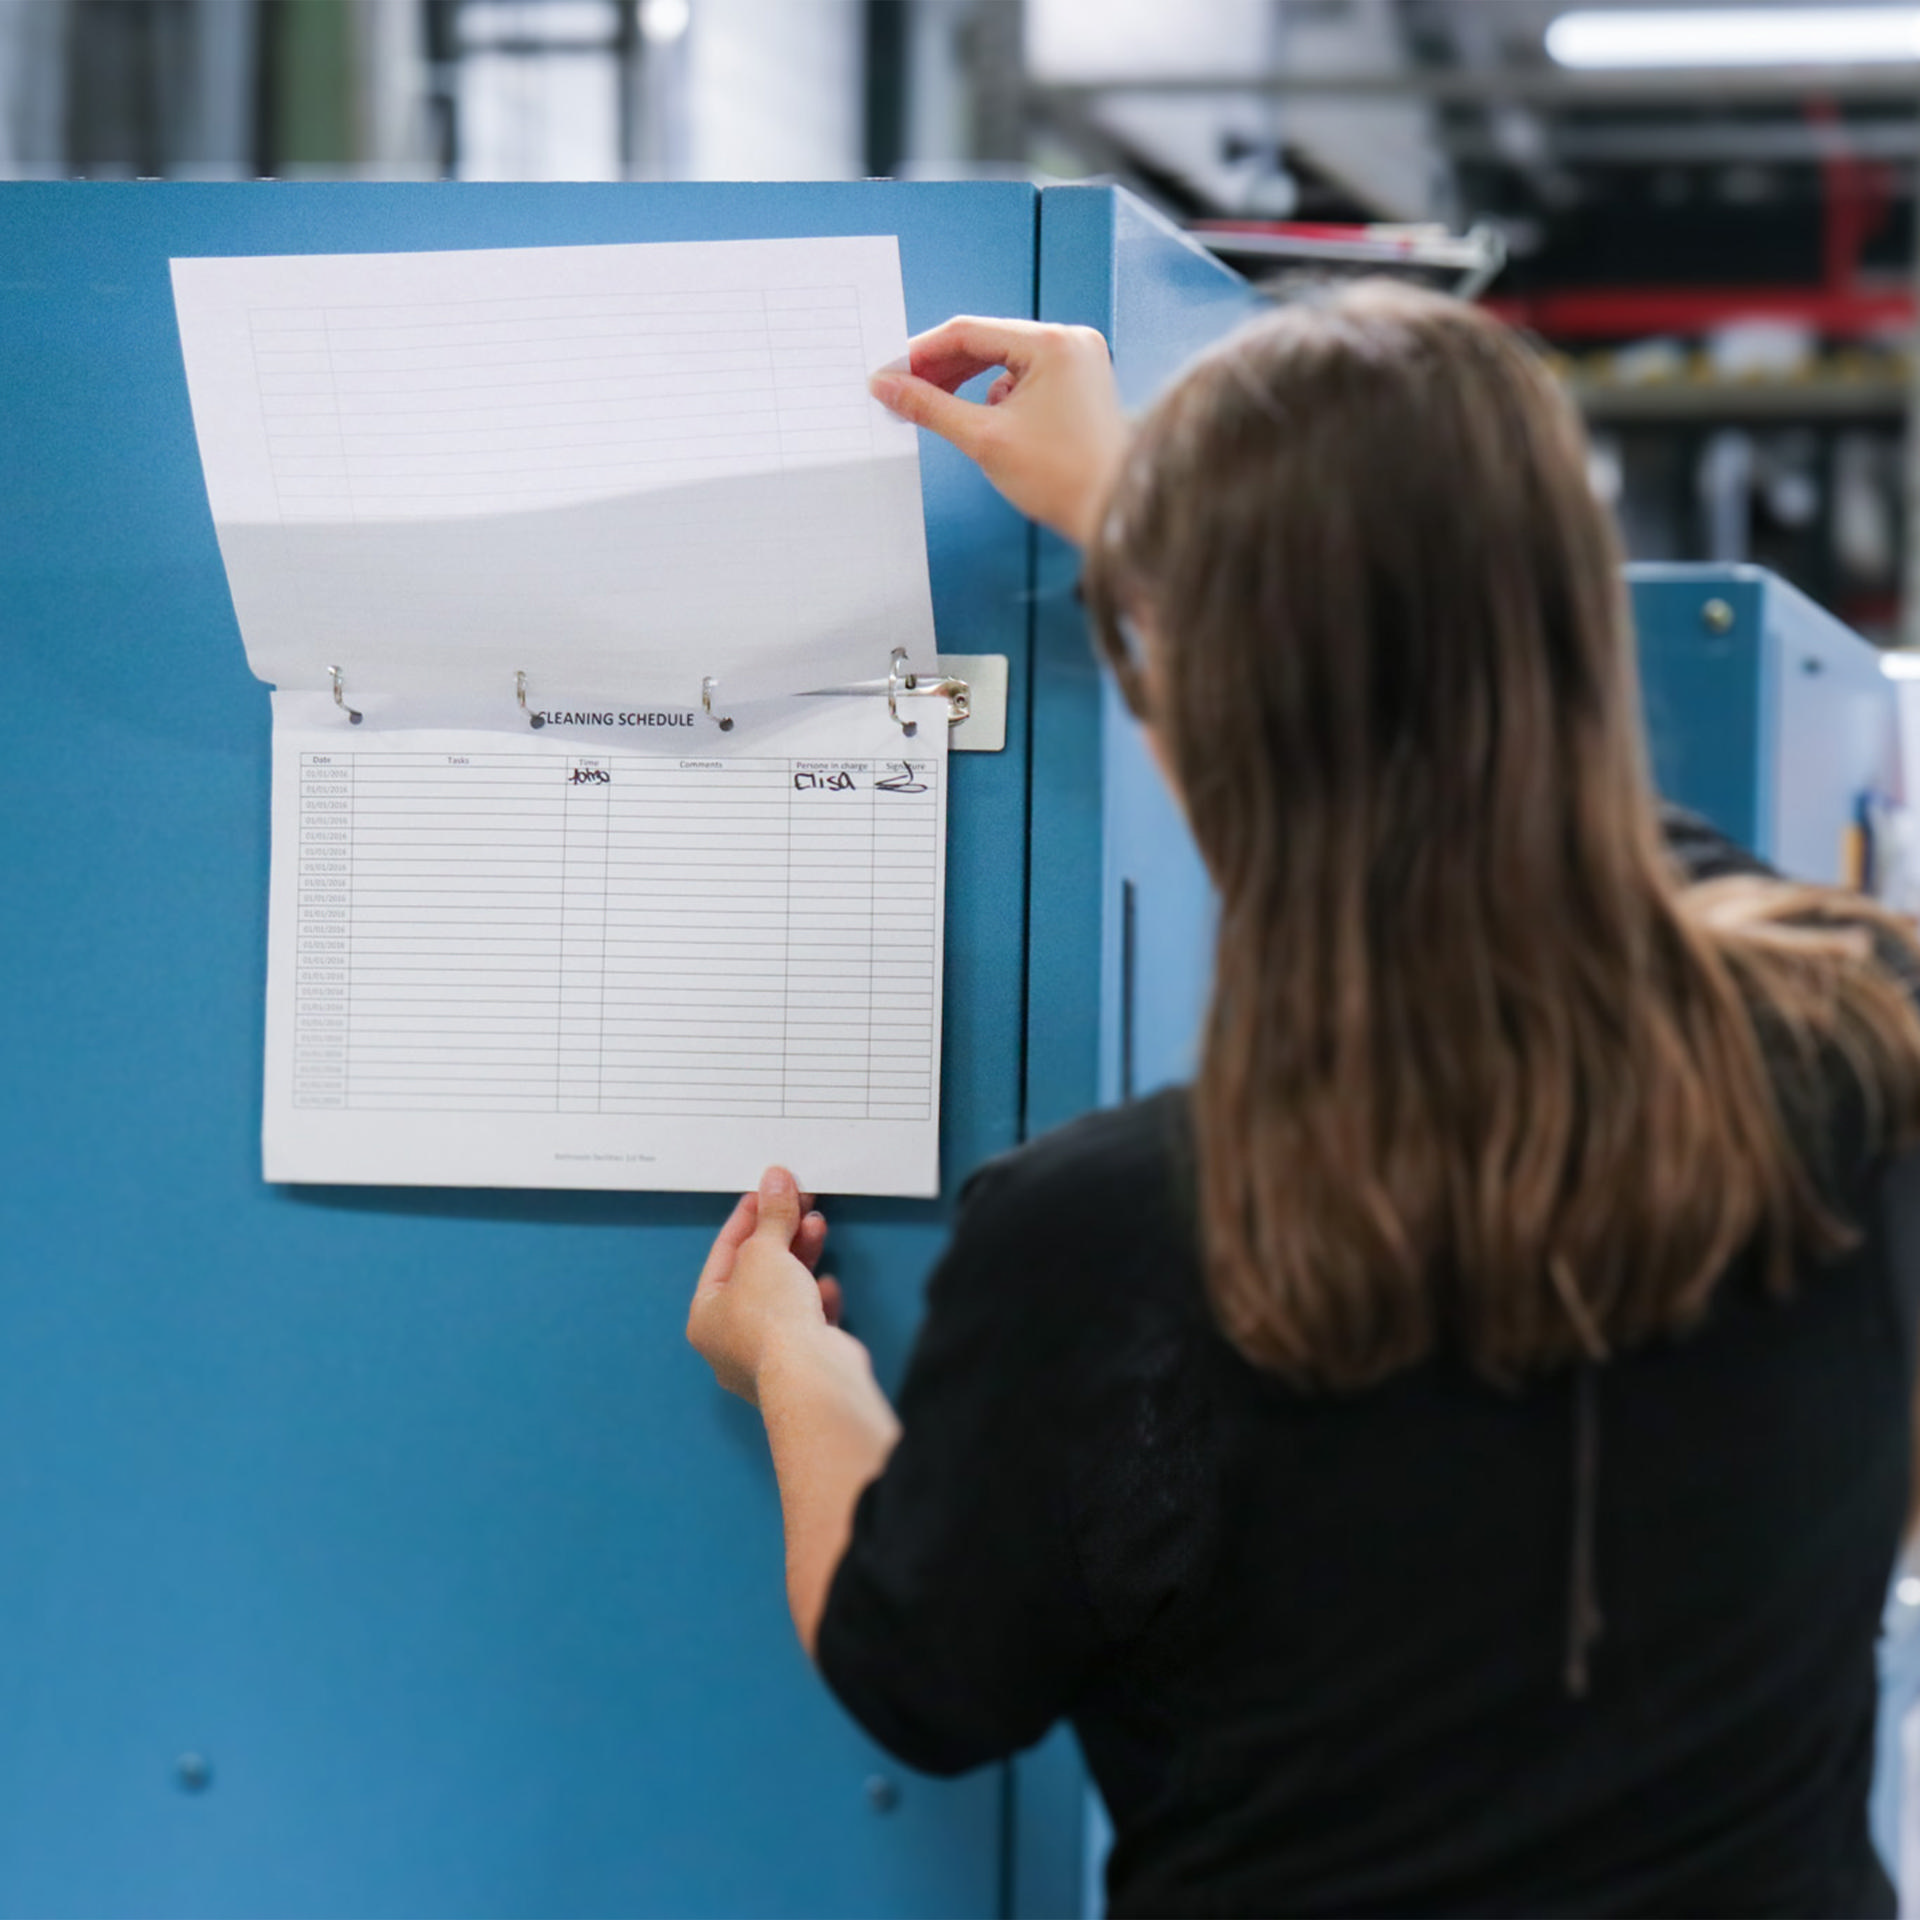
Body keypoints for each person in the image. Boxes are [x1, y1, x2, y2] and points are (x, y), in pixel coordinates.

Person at [685, 281, 1920, 1916]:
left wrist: (792, 1359)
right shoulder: (1862, 1052)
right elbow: (1650, 876)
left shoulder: (1111, 1238)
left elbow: (922, 1674)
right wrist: (1166, 535)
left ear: (1188, 722)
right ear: (1575, 634)